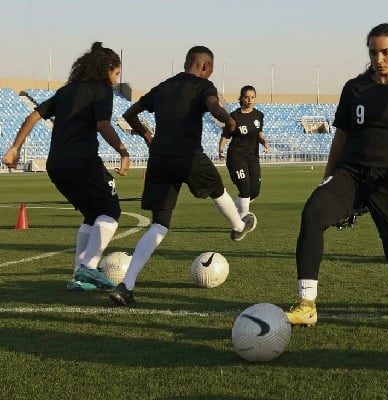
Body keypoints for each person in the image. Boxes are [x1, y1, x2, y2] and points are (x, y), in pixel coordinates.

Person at [285, 23, 388, 326]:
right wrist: (327, 179)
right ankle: (306, 303)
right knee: (313, 213)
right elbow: (340, 138)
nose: (378, 58)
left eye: (385, 52)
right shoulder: (355, 88)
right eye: (373, 52)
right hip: (350, 174)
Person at [110, 45, 256, 306]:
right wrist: (229, 121)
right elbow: (215, 108)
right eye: (210, 68)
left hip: (159, 159)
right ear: (204, 66)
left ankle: (126, 286)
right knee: (217, 188)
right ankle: (238, 225)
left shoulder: (164, 86)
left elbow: (129, 114)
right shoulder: (204, 87)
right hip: (188, 155)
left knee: (159, 224)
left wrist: (146, 135)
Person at [2, 42, 129, 291]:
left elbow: (33, 116)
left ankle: (76, 277)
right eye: (115, 74)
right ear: (107, 69)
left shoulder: (66, 91)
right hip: (82, 161)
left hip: (56, 165)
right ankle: (89, 268)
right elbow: (103, 124)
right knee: (111, 211)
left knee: (92, 214)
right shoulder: (101, 90)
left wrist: (14, 147)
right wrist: (123, 151)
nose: (115, 80)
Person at [218, 85, 270, 219]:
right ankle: (243, 219)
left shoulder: (259, 115)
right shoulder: (234, 116)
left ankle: (234, 208)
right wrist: (221, 149)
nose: (250, 100)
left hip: (253, 157)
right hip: (237, 157)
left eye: (252, 97)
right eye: (246, 97)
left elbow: (259, 134)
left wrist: (265, 142)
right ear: (241, 98)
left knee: (255, 191)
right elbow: (225, 135)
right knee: (245, 188)